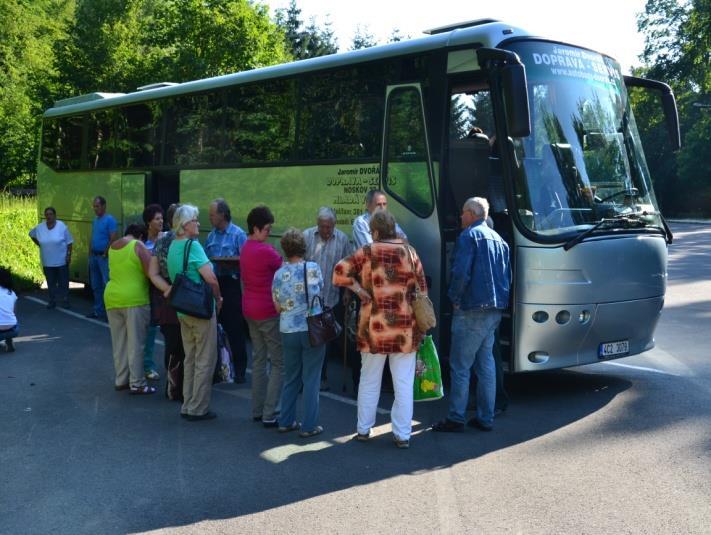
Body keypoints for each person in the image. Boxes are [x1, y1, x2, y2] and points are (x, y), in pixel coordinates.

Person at [333, 210, 428, 449]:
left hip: (372, 327)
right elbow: (422, 289)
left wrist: (359, 290)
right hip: (405, 328)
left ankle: (364, 429)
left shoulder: (367, 252)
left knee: (369, 379)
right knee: (403, 383)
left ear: (374, 231)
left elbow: (339, 272)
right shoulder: (410, 252)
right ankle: (402, 435)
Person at [432, 197, 511, 433]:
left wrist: (454, 299)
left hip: (471, 309)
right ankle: (486, 417)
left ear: (473, 214)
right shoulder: (500, 240)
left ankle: (456, 417)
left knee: (460, 366)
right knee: (486, 364)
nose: (460, 216)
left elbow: (460, 273)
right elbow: (507, 277)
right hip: (494, 310)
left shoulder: (468, 236)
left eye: (462, 212)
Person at [167, 205, 222, 421]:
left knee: (190, 357)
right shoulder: (194, 246)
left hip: (183, 310)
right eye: (195, 220)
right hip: (200, 309)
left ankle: (187, 403)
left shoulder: (173, 246)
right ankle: (199, 407)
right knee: (205, 359)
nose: (199, 223)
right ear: (185, 224)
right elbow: (211, 279)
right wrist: (218, 299)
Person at [272, 229, 326, 438]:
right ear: (303, 247)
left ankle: (286, 421)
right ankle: (309, 425)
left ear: (285, 249)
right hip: (312, 329)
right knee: (311, 378)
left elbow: (277, 307)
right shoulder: (312, 268)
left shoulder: (278, 274)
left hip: (288, 329)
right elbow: (318, 292)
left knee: (291, 377)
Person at [240, 205, 284, 428]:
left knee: (259, 359)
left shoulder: (245, 247)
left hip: (249, 308)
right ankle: (271, 412)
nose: (268, 233)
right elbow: (283, 268)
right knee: (278, 362)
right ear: (256, 228)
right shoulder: (265, 251)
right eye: (266, 229)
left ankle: (257, 410)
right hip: (267, 311)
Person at [303, 206, 354, 391]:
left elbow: (348, 268)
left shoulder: (341, 239)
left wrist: (348, 292)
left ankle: (321, 377)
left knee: (326, 339)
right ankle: (308, 376)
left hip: (331, 298)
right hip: (308, 299)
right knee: (309, 339)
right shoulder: (307, 236)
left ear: (334, 224)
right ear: (318, 224)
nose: (326, 231)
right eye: (323, 226)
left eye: (329, 227)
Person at [104, 224, 154, 395]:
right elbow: (151, 272)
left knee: (119, 343)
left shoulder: (112, 247)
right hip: (134, 299)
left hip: (112, 297)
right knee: (136, 343)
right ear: (140, 236)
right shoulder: (137, 246)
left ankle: (121, 379)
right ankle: (138, 383)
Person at [205, 198, 249, 383]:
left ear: (223, 215)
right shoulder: (211, 236)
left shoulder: (238, 234)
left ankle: (240, 369)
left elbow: (246, 261)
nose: (210, 218)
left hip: (232, 283)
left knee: (234, 328)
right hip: (215, 282)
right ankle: (219, 369)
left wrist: (231, 261)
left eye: (212, 215)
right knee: (215, 328)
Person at [148, 204, 185, 401]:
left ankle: (172, 387)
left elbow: (152, 272)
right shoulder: (187, 241)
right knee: (186, 345)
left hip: (167, 298)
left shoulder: (161, 243)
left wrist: (166, 289)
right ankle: (184, 388)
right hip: (187, 299)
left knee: (171, 345)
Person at [29, 207, 73, 309]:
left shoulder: (62, 226)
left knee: (63, 282)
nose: (48, 216)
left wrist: (68, 255)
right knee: (51, 282)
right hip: (47, 261)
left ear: (55, 215)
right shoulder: (40, 227)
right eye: (47, 214)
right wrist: (40, 244)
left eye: (50, 214)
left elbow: (69, 242)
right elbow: (31, 234)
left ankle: (65, 300)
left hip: (61, 261)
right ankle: (52, 300)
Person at [142, 204, 164, 381]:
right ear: (149, 222)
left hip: (163, 288)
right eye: (157, 218)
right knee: (149, 328)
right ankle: (147, 365)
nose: (161, 221)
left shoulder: (166, 239)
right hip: (145, 288)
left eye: (162, 218)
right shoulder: (141, 242)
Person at [87, 196, 118, 320]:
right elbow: (93, 237)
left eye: (97, 206)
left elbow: (113, 237)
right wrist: (89, 253)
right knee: (95, 285)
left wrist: (105, 252)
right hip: (94, 256)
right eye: (94, 206)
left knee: (107, 285)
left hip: (103, 257)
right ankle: (98, 310)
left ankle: (109, 312)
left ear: (104, 206)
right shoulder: (95, 220)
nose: (95, 209)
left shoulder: (110, 220)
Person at [0, 267, 19, 353]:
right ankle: (9, 340)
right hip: (13, 329)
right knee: (10, 317)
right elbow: (13, 312)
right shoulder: (12, 293)